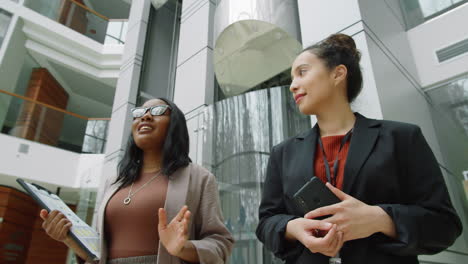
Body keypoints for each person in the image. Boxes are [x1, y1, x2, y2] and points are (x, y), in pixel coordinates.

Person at [255, 33, 462, 263]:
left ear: (338, 73)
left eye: (302, 72)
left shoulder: (402, 138)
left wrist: (380, 219)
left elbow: (445, 225)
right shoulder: (282, 153)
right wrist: (293, 227)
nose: (293, 85)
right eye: (292, 78)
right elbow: (266, 223)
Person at [40, 98, 234, 264]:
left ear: (175, 125)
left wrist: (183, 248)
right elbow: (99, 254)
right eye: (140, 112)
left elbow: (220, 243)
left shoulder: (199, 178)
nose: (146, 116)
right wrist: (70, 239)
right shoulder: (113, 182)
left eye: (158, 111)